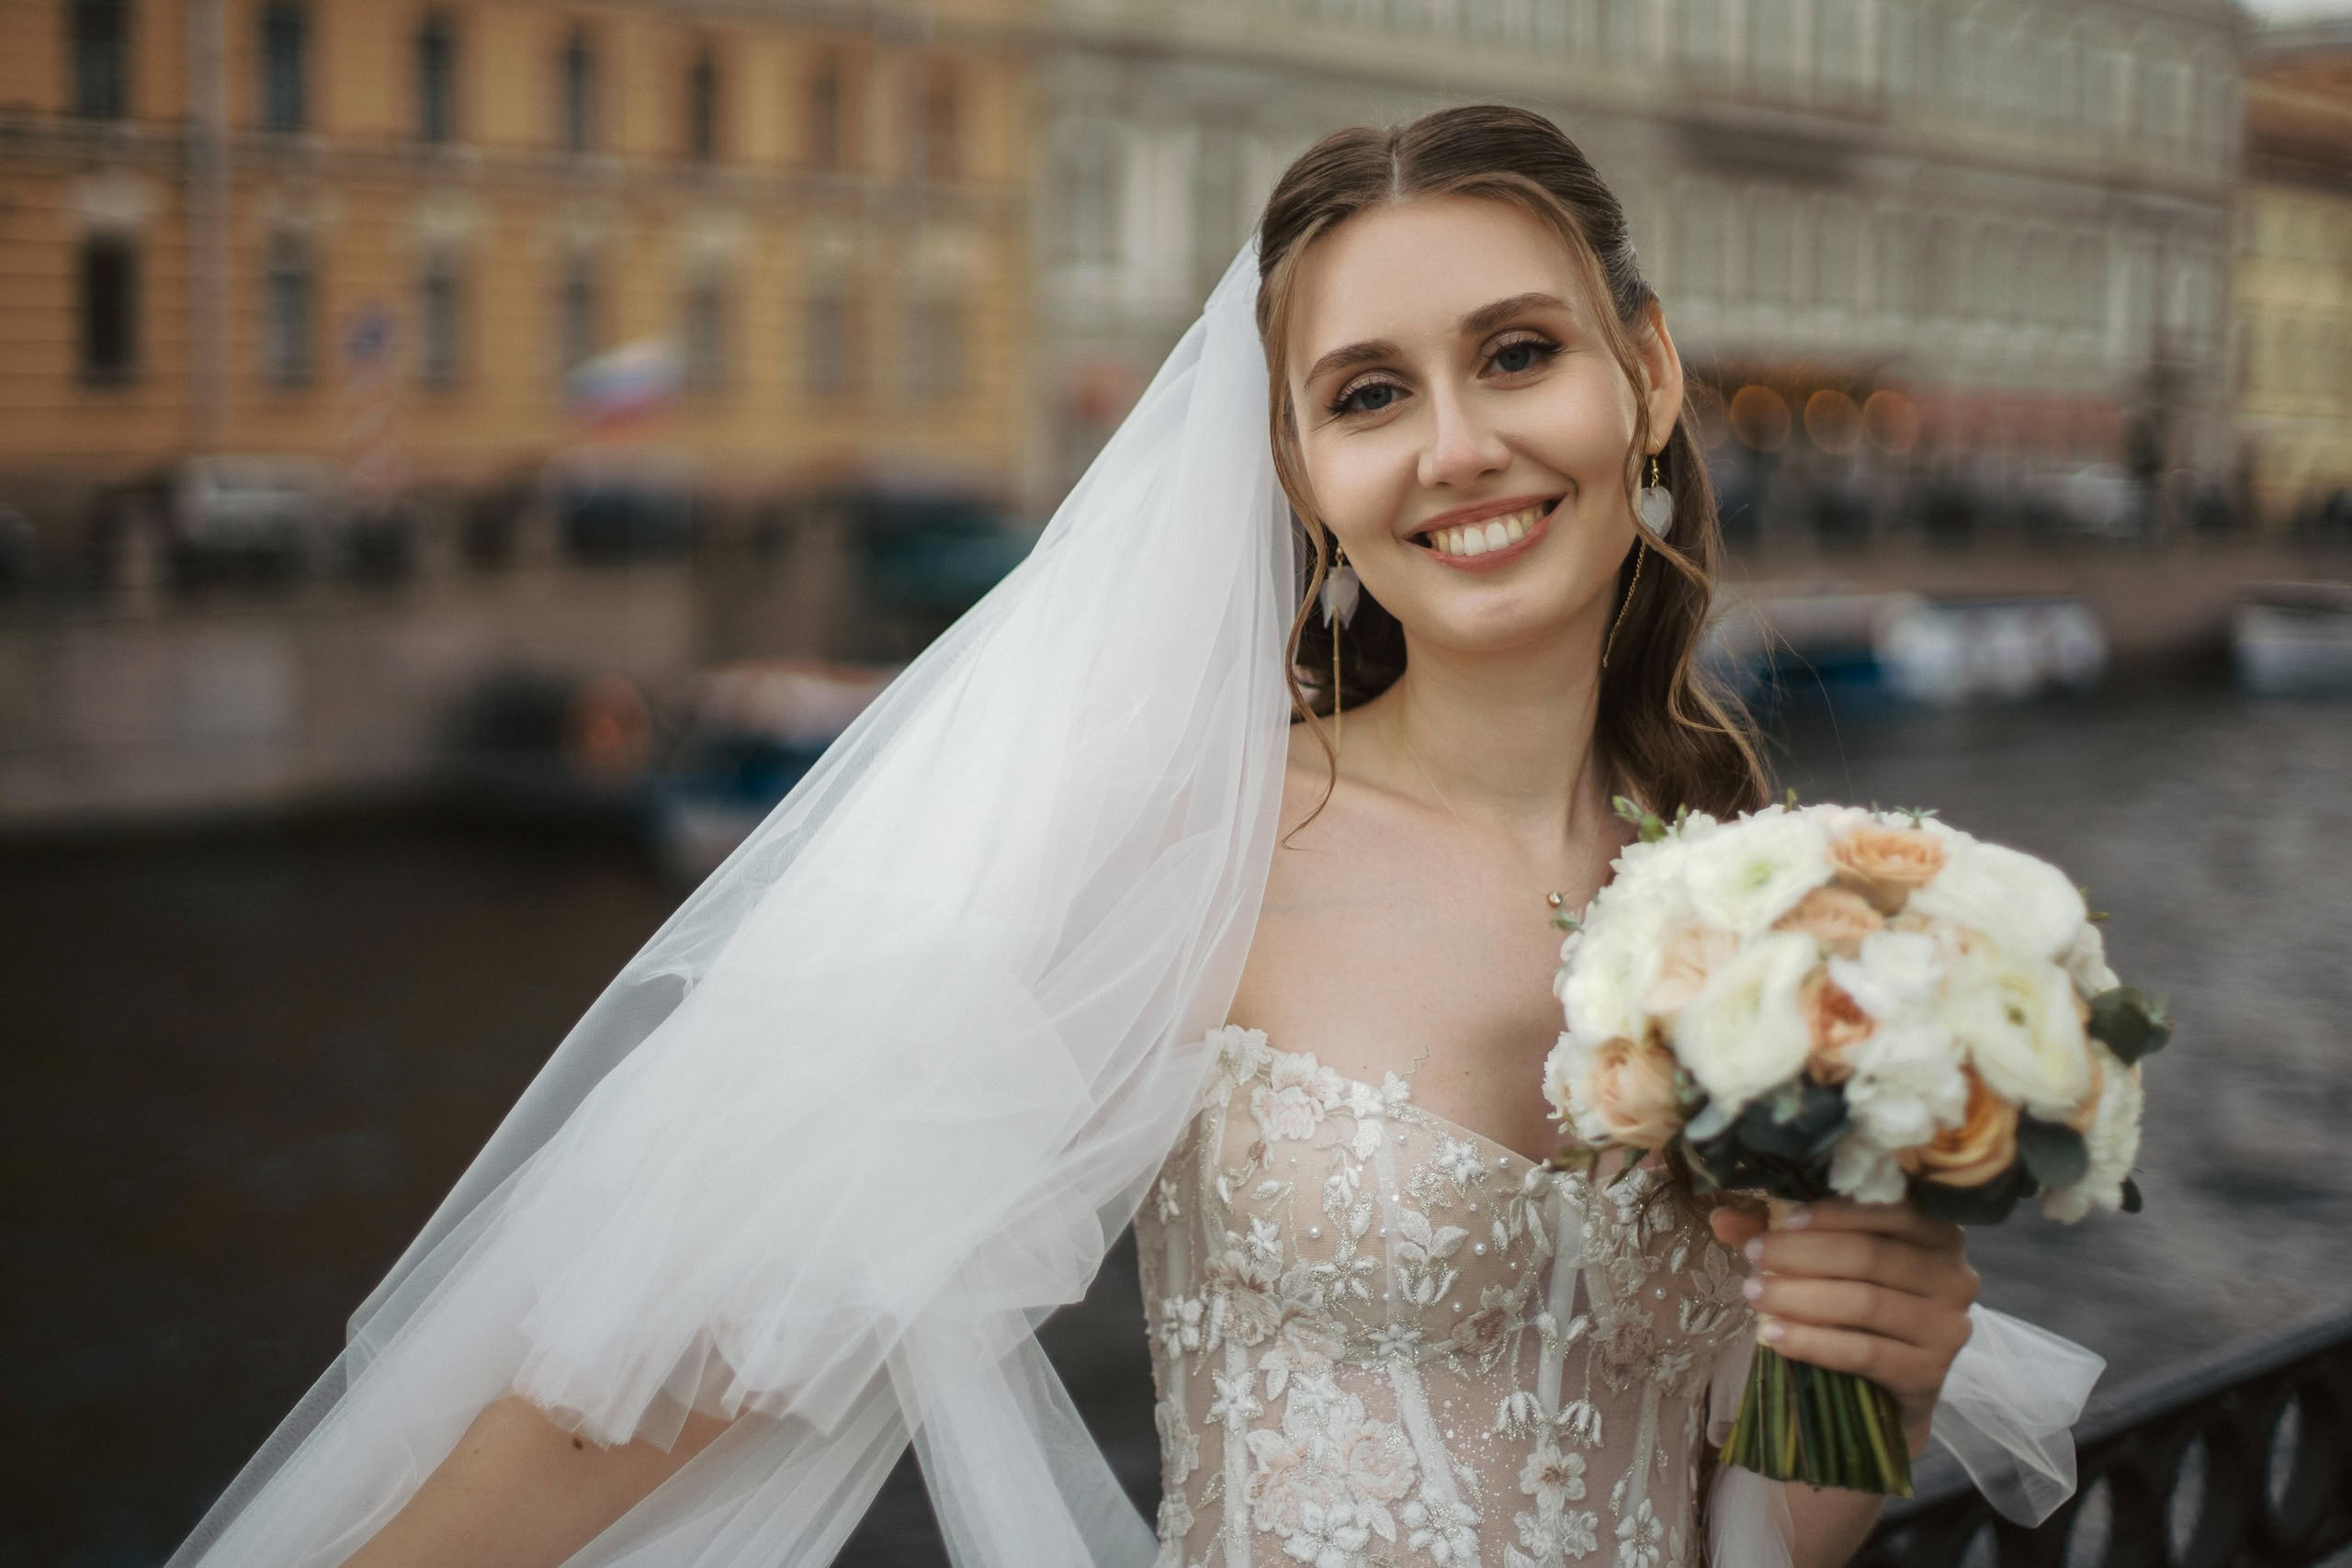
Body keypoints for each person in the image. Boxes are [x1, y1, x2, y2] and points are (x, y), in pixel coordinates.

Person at [167, 107, 2095, 1568]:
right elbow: (721, 1329)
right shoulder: (1203, 842)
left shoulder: (1761, 898)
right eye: (1365, 394)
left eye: (1516, 353)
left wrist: (1853, 1398)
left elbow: (1740, 1529)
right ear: (1296, 470)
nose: (1455, 446)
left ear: (1643, 375)